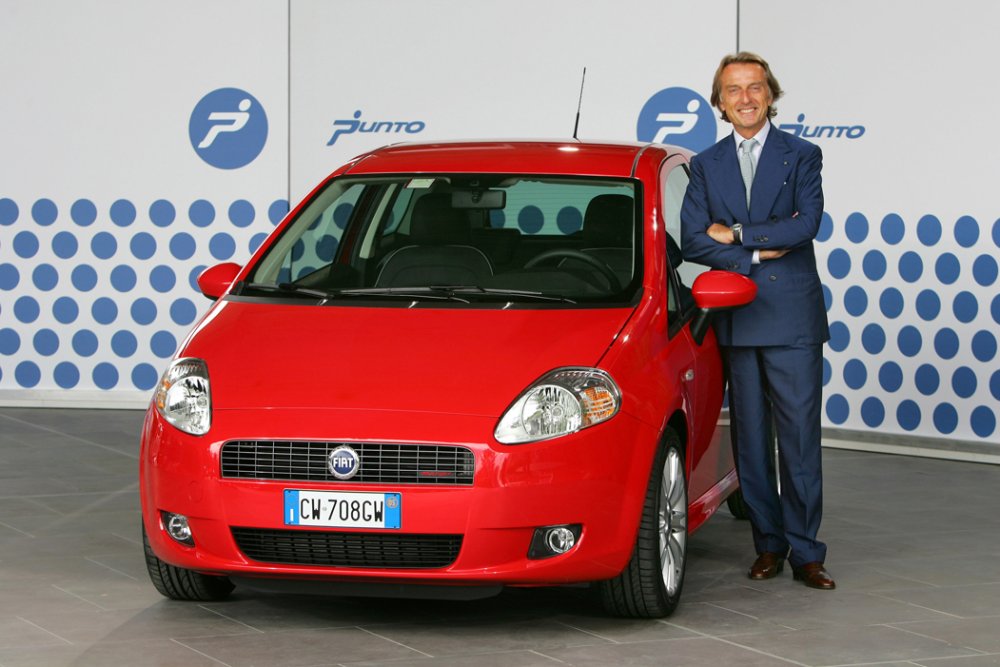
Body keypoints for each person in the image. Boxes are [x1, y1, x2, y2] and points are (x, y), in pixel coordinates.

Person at [680, 52, 834, 590]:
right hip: (738, 316)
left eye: (755, 87)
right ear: (720, 103)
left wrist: (740, 235)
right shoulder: (704, 164)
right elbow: (696, 239)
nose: (745, 98)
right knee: (749, 442)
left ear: (771, 93)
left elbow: (806, 225)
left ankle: (807, 552)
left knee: (798, 441)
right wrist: (756, 253)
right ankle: (768, 544)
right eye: (733, 90)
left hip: (792, 319)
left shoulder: (803, 154)